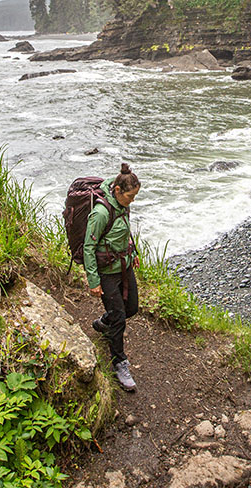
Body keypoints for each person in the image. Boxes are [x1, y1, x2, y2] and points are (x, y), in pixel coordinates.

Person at [83, 162, 141, 392]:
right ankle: (119, 363)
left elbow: (124, 230)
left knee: (132, 308)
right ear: (117, 191)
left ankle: (103, 323)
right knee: (119, 317)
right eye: (130, 196)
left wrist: (132, 251)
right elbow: (89, 246)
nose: (132, 200)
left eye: (135, 196)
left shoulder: (122, 205)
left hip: (124, 265)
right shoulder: (100, 213)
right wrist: (94, 281)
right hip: (106, 272)